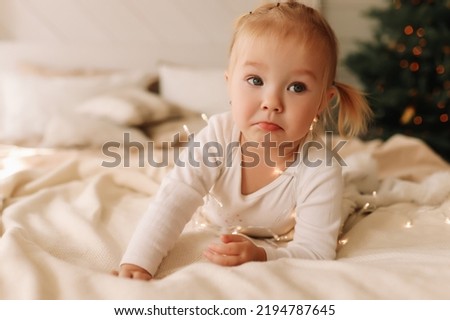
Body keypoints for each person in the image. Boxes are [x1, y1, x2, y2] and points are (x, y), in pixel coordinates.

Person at [114, 0, 372, 280]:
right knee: (171, 176)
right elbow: (174, 199)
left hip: (280, 231)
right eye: (255, 80)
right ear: (229, 83)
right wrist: (138, 262)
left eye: (297, 87)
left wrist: (263, 254)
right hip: (213, 215)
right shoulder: (218, 136)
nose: (272, 102)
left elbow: (316, 252)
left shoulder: (319, 167)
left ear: (324, 100)